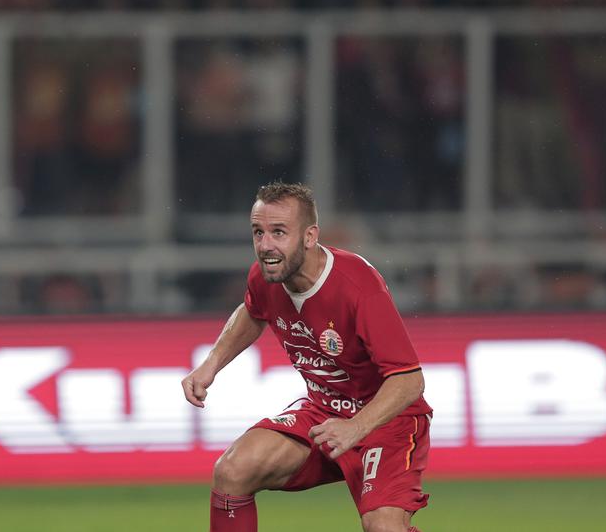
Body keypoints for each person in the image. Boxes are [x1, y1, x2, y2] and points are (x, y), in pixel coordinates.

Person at [182, 181, 432, 532]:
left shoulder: (358, 287)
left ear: (310, 236)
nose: (265, 245)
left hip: (387, 422)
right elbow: (253, 312)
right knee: (233, 470)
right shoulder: (265, 277)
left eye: (279, 232)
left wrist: (357, 427)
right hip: (324, 414)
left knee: (382, 526)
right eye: (258, 232)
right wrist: (211, 365)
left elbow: (409, 380)